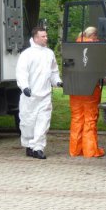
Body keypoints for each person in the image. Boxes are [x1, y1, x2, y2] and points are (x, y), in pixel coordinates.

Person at [15, 26, 62, 159]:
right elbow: (21, 72)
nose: (46, 38)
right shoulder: (27, 54)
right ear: (36, 38)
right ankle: (29, 145)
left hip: (45, 95)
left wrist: (57, 82)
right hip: (30, 96)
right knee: (28, 122)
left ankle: (38, 148)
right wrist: (24, 87)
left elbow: (53, 72)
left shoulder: (49, 53)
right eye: (43, 36)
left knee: (43, 122)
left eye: (46, 36)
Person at [69, 26, 105, 158]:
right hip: (90, 88)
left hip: (74, 88)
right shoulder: (95, 48)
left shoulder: (72, 47)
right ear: (93, 35)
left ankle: (75, 150)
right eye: (97, 36)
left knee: (76, 119)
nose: (98, 39)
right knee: (90, 119)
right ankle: (90, 151)